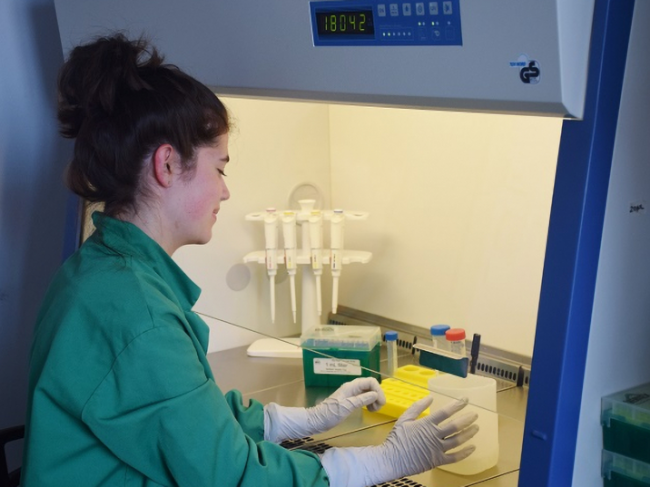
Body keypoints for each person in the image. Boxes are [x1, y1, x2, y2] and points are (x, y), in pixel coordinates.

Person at [21, 33, 479, 487]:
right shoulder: (137, 316)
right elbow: (234, 478)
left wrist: (295, 420)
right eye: (219, 168)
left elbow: (183, 417)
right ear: (166, 166)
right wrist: (383, 460)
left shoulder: (102, 270)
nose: (225, 189)